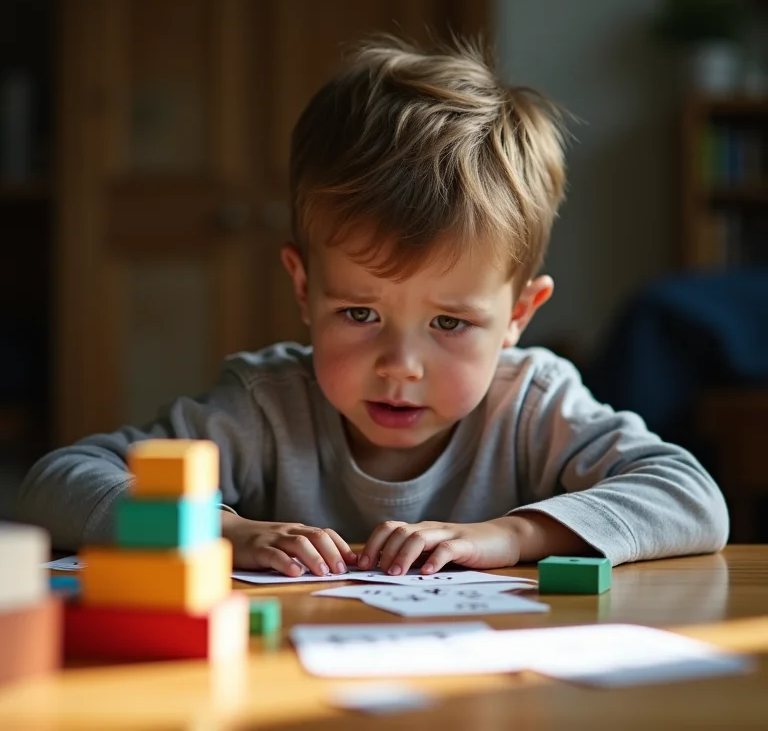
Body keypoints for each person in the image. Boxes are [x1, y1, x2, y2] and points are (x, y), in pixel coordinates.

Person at [16, 35, 728, 578]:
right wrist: (225, 531)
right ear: (304, 289)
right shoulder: (265, 407)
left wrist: (509, 536)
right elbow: (56, 485)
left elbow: (693, 499)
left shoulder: (534, 405)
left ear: (519, 314)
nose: (400, 367)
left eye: (450, 323)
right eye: (359, 314)